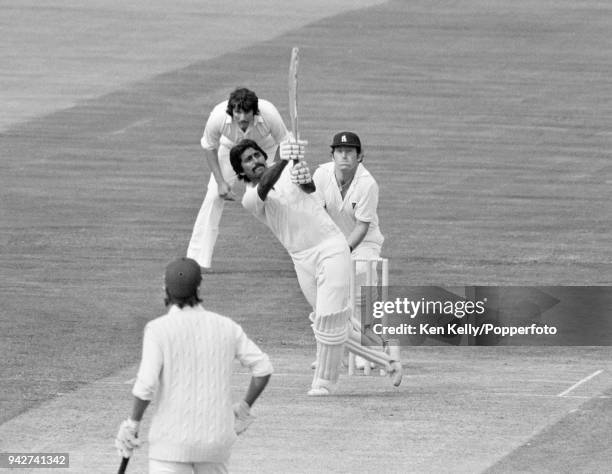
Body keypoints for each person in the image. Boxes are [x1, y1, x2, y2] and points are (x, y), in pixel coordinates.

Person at [229, 138, 402, 397]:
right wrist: (286, 159)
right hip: (301, 258)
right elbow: (265, 185)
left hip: (331, 246)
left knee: (330, 320)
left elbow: (310, 189)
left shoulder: (287, 169)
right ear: (241, 171)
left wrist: (302, 176)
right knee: (329, 323)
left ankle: (323, 383)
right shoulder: (250, 198)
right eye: (248, 160)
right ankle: (388, 360)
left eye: (257, 155)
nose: (256, 162)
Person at [115, 257, 272, 473]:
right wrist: (244, 406)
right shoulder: (226, 327)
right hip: (216, 442)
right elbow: (263, 368)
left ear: (165, 289)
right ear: (198, 286)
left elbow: (146, 386)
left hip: (170, 443)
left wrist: (133, 424)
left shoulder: (158, 329)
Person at [187, 87, 291, 271]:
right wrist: (220, 182)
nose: (242, 117)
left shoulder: (269, 114)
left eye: (246, 112)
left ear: (255, 111)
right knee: (213, 196)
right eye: (237, 112)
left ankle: (296, 248)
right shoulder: (218, 117)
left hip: (263, 149)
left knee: (272, 198)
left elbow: (285, 142)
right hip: (230, 148)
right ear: (231, 111)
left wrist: (278, 175)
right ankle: (196, 260)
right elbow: (209, 146)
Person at [312, 131, 387, 369]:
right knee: (330, 294)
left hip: (364, 242)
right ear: (332, 155)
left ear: (360, 156)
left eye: (350, 152)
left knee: (363, 283)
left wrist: (343, 252)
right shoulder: (321, 175)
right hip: (334, 240)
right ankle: (330, 351)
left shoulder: (367, 184)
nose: (344, 156)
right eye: (340, 151)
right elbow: (315, 215)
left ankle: (369, 349)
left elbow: (363, 226)